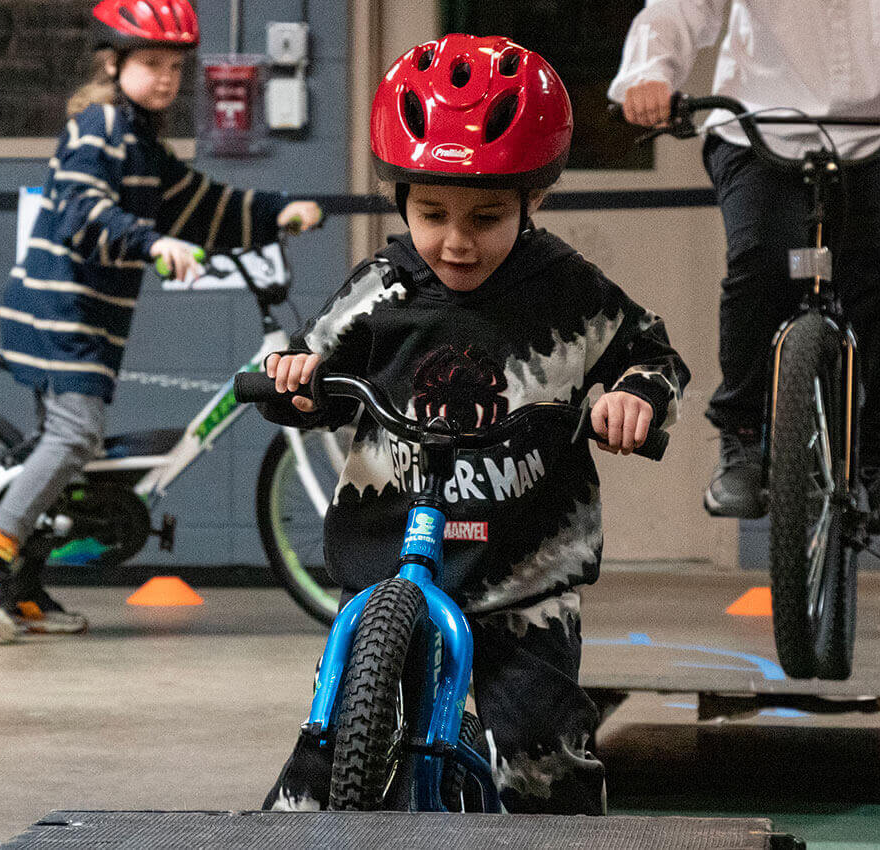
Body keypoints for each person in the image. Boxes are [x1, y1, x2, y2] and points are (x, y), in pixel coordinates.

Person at [258, 35, 689, 814]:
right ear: (401, 200)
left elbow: (651, 355)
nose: (457, 241)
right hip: (391, 564)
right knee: (329, 750)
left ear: (535, 200)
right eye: (432, 214)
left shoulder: (565, 291)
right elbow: (314, 371)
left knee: (540, 760)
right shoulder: (382, 289)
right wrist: (294, 381)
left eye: (487, 217)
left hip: (524, 571)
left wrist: (633, 395)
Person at [0, 0, 323, 641]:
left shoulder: (144, 146)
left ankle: (22, 586)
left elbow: (201, 203)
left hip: (89, 320)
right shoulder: (97, 128)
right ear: (112, 64)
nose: (166, 77)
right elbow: (84, 211)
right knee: (76, 437)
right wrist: (152, 242)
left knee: (74, 454)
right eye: (151, 63)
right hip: (58, 311)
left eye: (175, 66)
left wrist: (276, 210)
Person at [609, 0, 880, 552]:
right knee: (760, 266)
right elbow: (680, 7)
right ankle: (741, 439)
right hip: (759, 126)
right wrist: (650, 72)